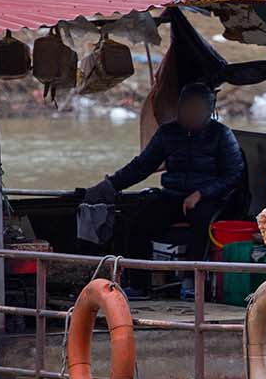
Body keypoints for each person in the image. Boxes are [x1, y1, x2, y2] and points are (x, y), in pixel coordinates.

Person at [87, 82, 244, 268]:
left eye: (196, 108)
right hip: (173, 196)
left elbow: (234, 175)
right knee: (138, 223)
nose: (190, 113)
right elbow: (141, 166)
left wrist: (201, 194)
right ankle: (138, 284)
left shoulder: (222, 135)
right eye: (187, 107)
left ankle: (192, 282)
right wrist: (110, 185)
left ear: (208, 111)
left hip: (210, 199)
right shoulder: (168, 133)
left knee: (201, 225)